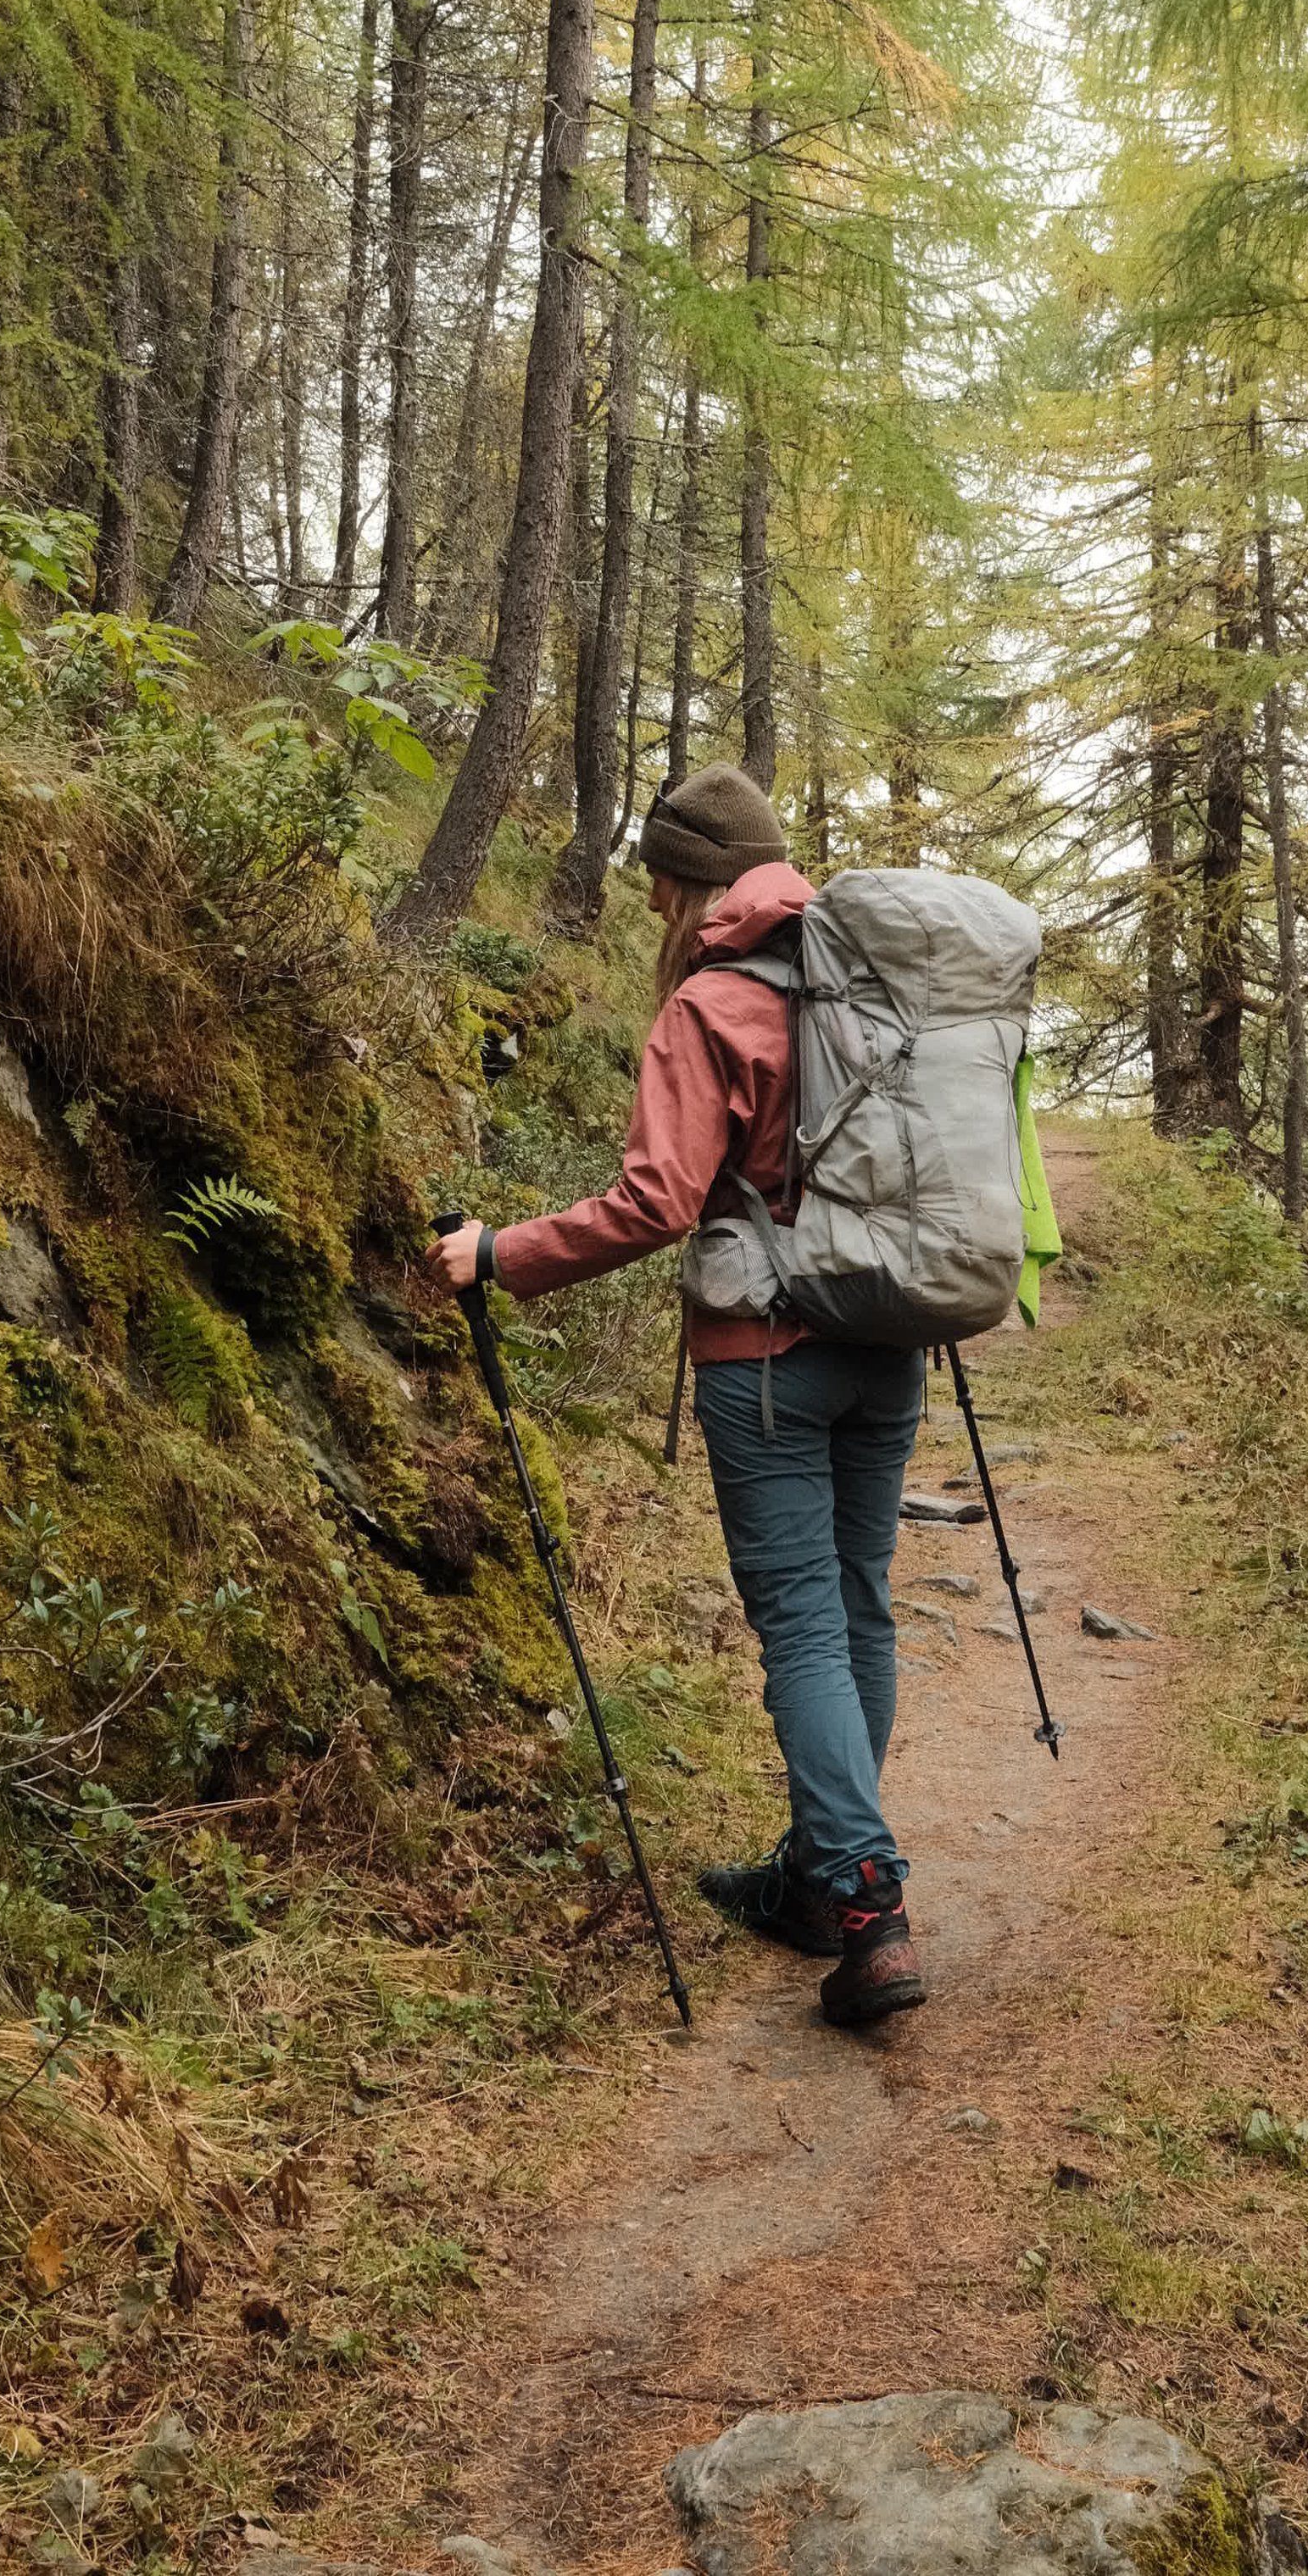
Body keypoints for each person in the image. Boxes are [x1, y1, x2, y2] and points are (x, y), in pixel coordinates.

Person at [426, 763, 924, 2028]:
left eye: (657, 876)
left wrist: (499, 1252)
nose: (653, 899)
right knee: (861, 1609)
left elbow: (657, 1201)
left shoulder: (711, 1000)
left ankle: (866, 1907)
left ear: (690, 878)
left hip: (768, 1361)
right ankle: (823, 1881)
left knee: (806, 1626)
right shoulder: (863, 979)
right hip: (890, 1343)